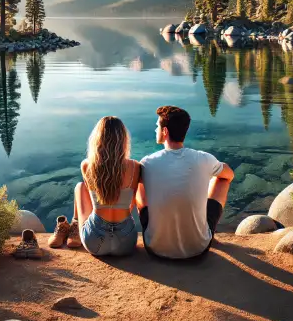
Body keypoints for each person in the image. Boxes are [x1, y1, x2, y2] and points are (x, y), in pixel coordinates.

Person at [137, 105, 234, 260]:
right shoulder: (204, 158)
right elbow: (229, 174)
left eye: (157, 126)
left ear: (165, 132)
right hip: (198, 249)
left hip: (155, 249)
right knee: (221, 179)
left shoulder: (147, 163)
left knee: (139, 184)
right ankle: (205, 232)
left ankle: (157, 233)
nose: (155, 130)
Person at [72, 116, 141, 256]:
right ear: (123, 140)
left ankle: (74, 225)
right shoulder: (135, 166)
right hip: (126, 242)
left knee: (80, 187)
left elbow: (93, 201)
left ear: (97, 140)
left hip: (94, 241)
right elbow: (132, 204)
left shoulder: (86, 165)